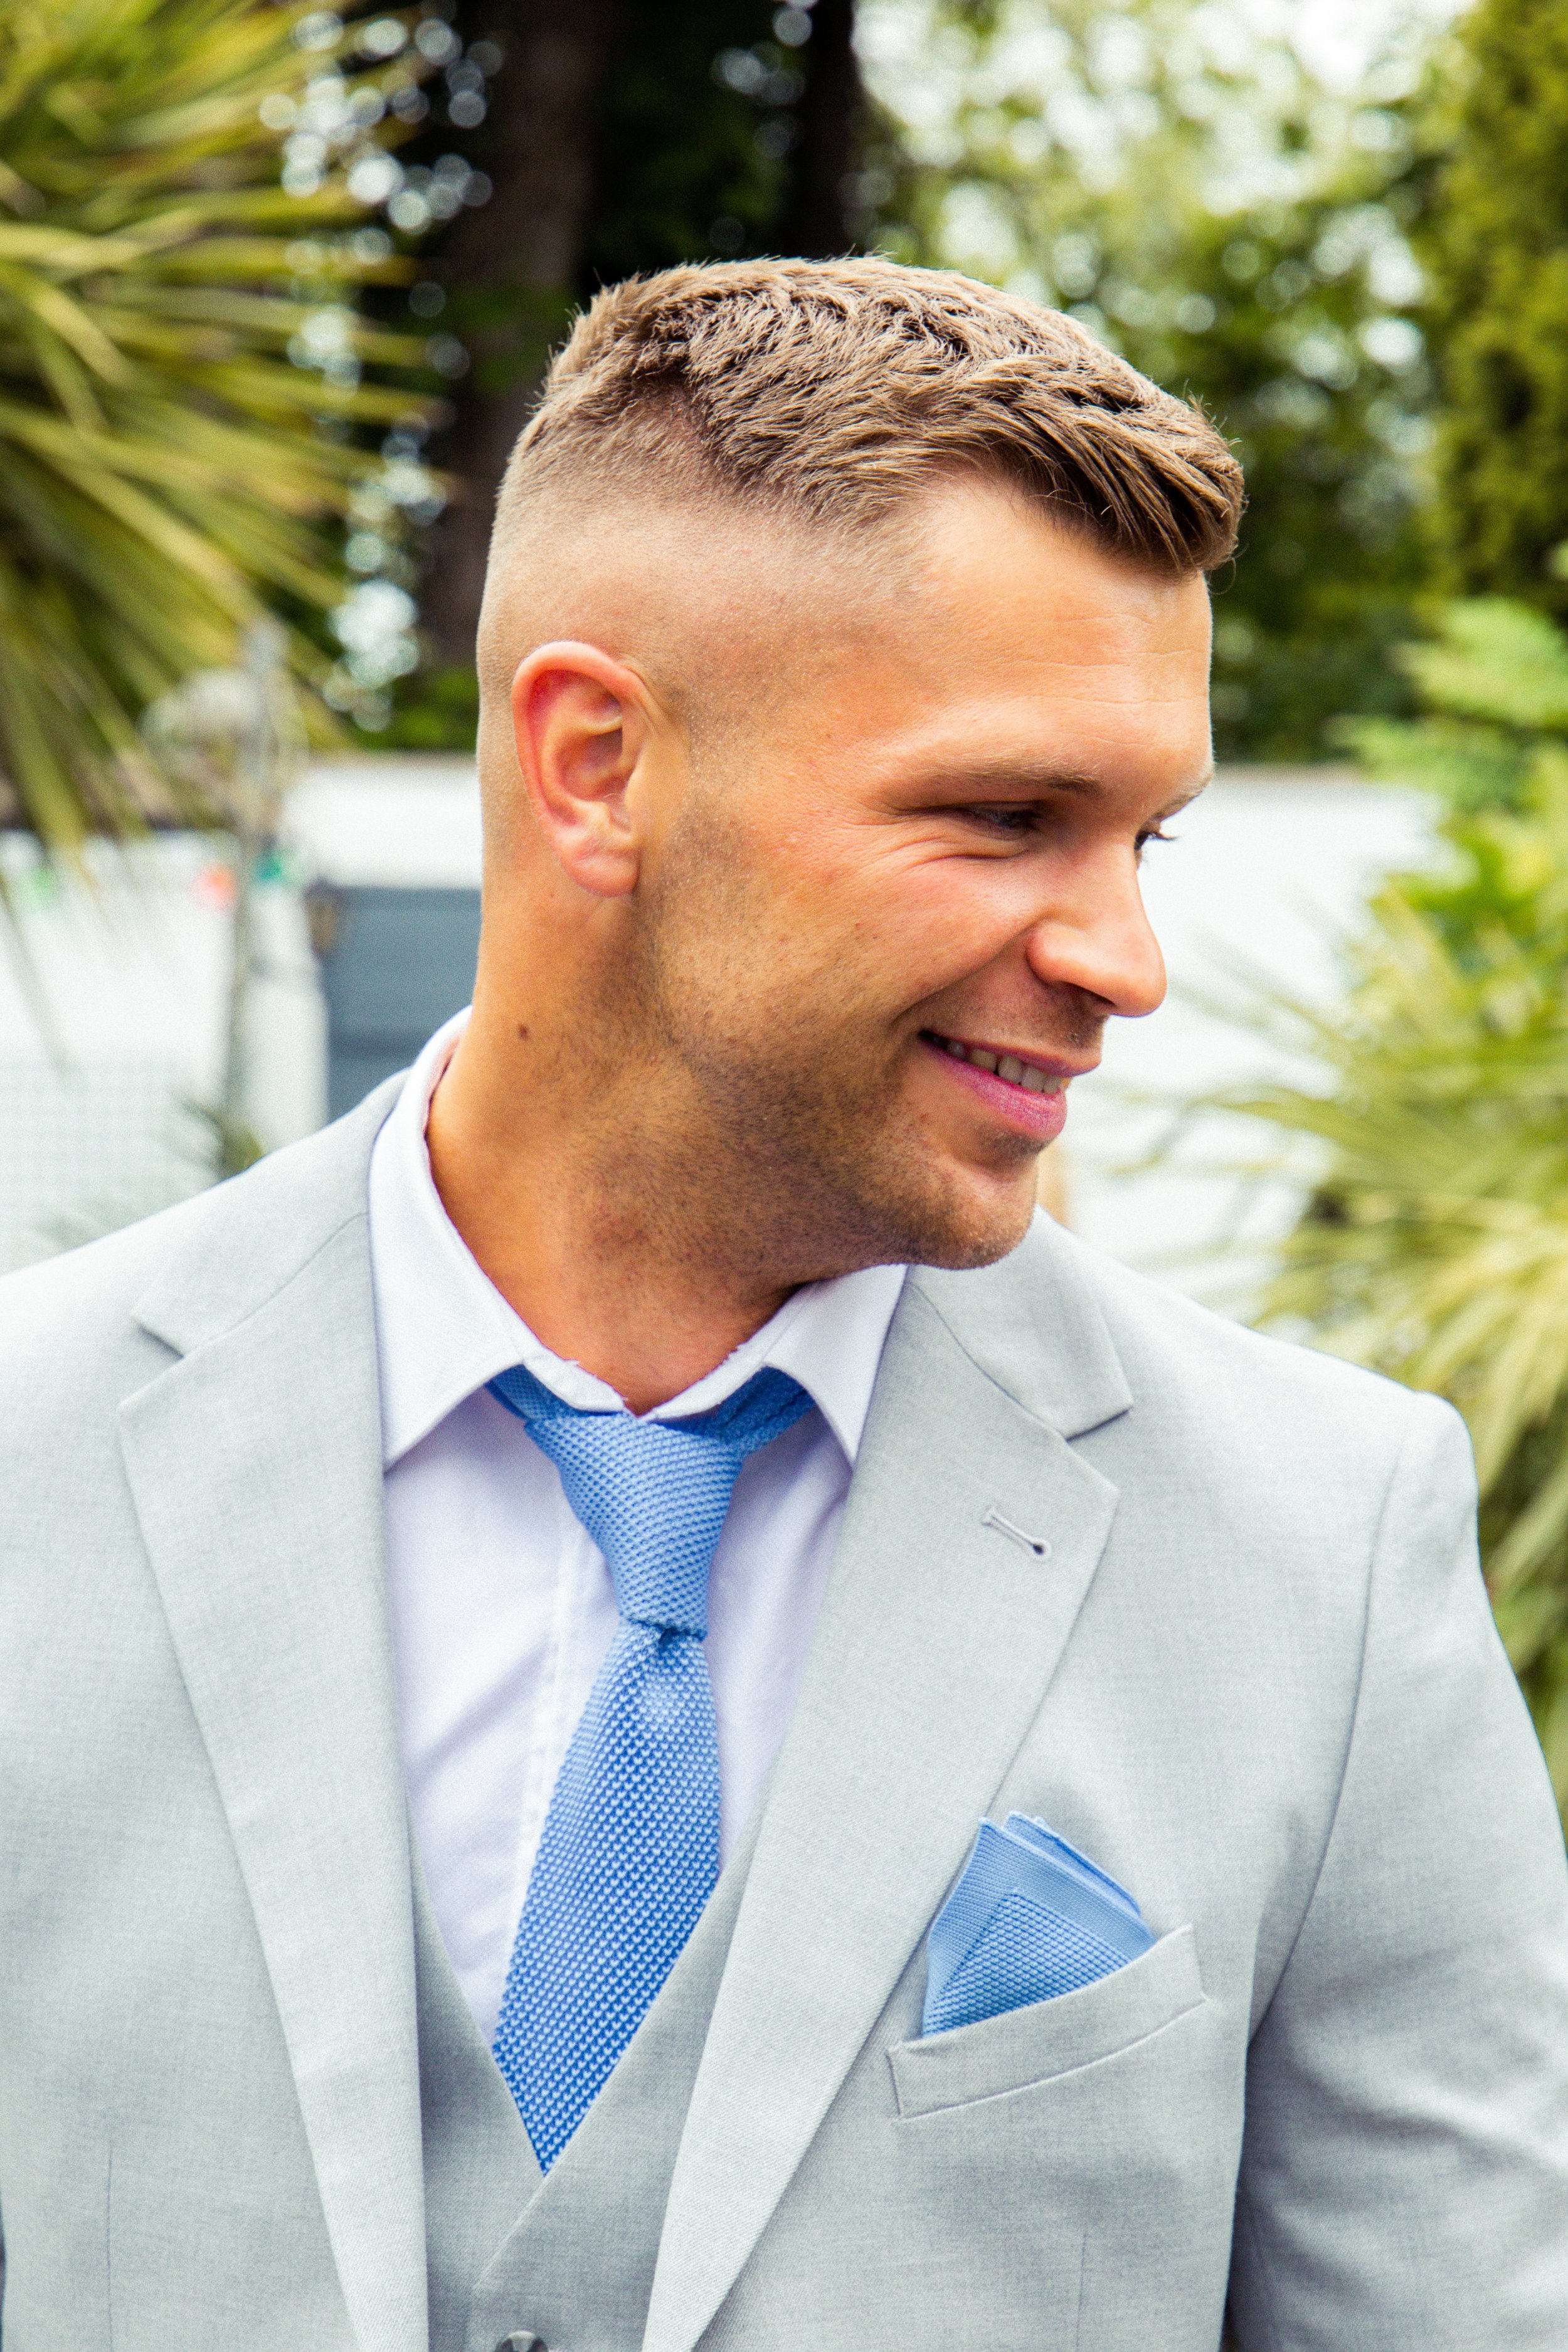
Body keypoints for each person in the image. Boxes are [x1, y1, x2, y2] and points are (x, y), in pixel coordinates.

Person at [1, 259, 1564, 2352]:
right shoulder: (25, 1462)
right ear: (595, 766)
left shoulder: (1322, 1548)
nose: (1121, 957)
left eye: (1143, 841)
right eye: (1007, 817)